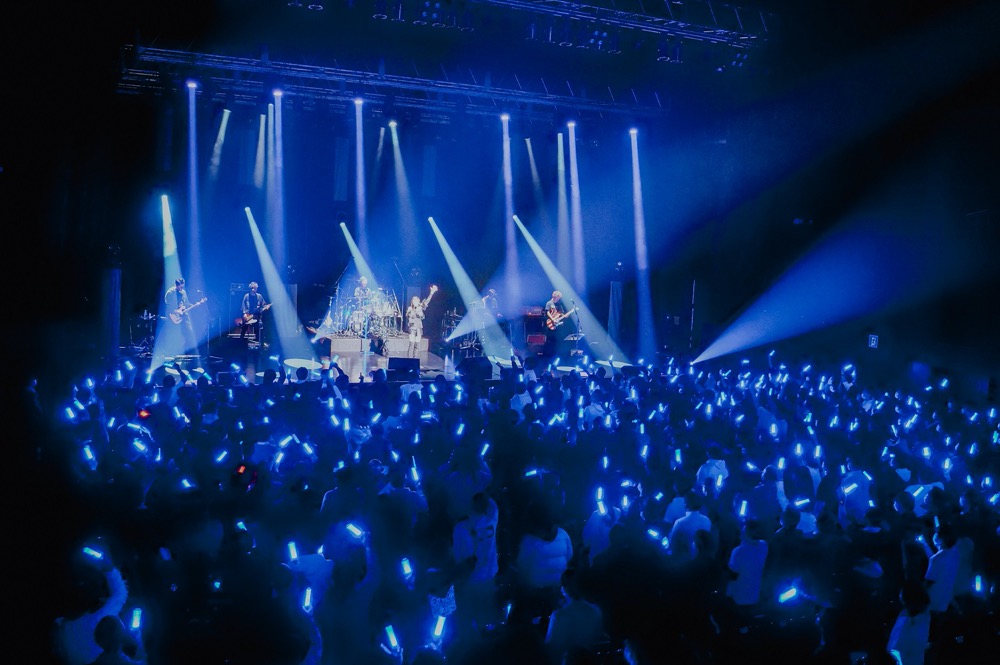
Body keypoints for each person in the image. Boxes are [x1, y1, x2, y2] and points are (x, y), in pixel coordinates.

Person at [163, 277, 200, 357]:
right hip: (173, 316)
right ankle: (172, 353)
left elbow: (186, 303)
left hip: (184, 315)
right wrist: (177, 311)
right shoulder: (170, 293)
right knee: (174, 335)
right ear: (176, 285)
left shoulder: (183, 292)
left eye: (183, 287)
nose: (182, 289)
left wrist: (194, 305)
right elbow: (168, 307)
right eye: (180, 287)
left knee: (189, 332)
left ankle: (187, 353)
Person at [405, 284, 437, 358]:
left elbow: (427, 301)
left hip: (419, 328)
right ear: (412, 302)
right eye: (414, 301)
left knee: (417, 345)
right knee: (411, 345)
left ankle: (415, 359)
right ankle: (409, 360)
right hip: (412, 328)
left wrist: (431, 293)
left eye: (416, 301)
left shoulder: (420, 307)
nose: (415, 302)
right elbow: (409, 315)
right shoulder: (410, 309)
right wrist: (416, 310)